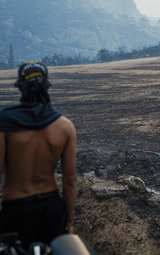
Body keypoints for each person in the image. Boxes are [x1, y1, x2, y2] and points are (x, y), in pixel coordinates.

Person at [0, 61, 77, 250]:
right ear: (46, 85)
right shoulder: (65, 126)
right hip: (52, 209)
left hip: (16, 210)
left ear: (20, 86)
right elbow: (70, 180)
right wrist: (69, 222)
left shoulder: (4, 123)